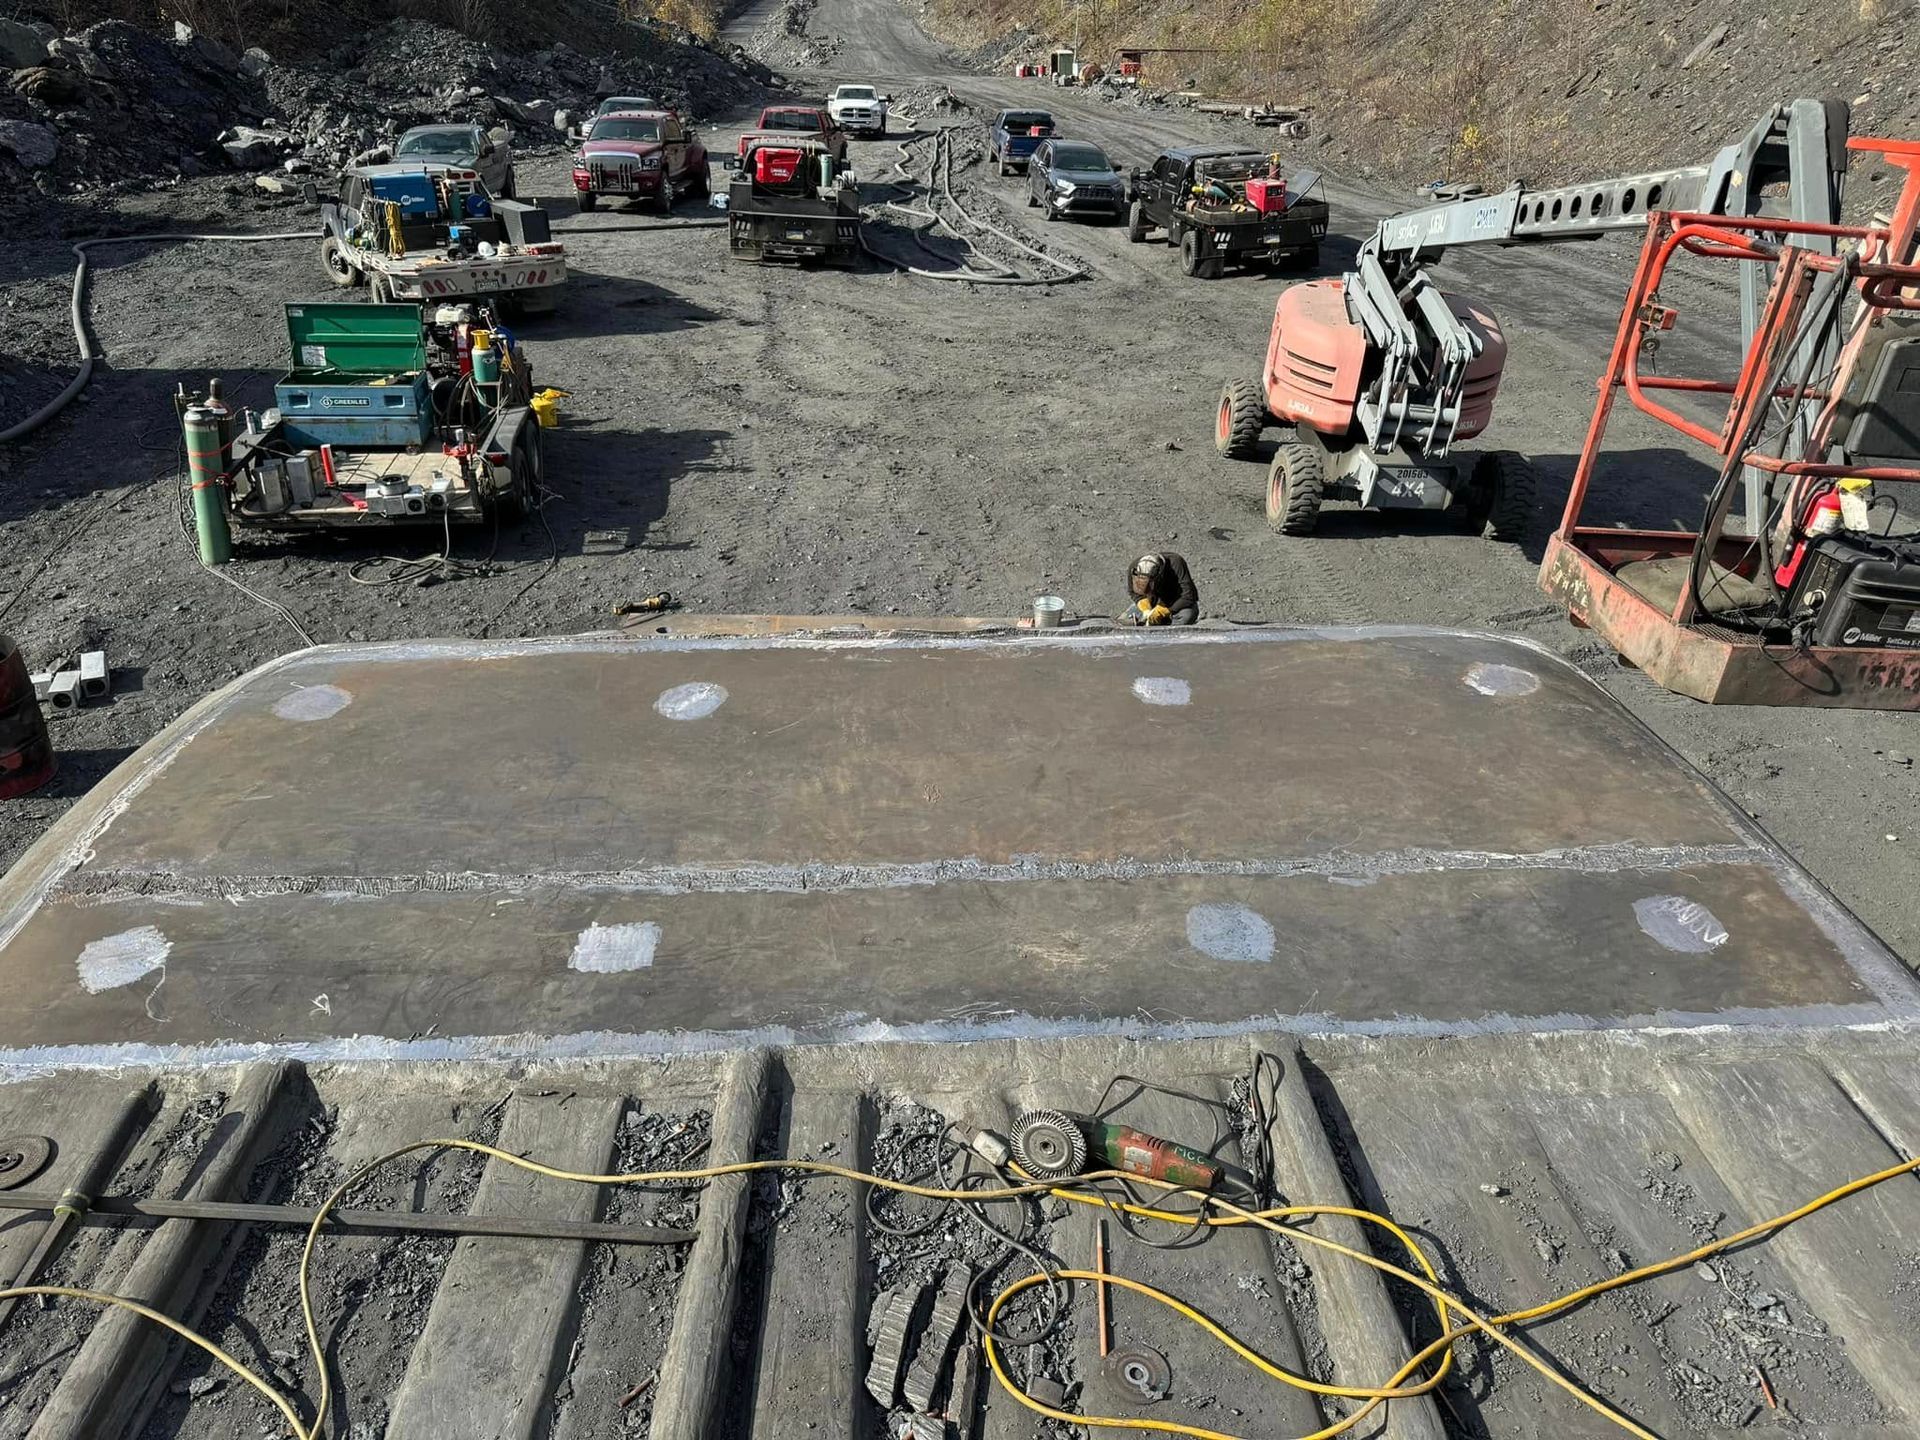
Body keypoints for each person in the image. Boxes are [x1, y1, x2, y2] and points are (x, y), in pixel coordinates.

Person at [1120, 552, 1199, 626]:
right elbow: (1133, 592)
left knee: (1187, 617)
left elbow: (1189, 595)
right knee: (1123, 621)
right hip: (1152, 601)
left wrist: (1164, 611)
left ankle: (1165, 630)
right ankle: (1146, 624)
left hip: (1175, 601)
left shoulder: (1176, 564)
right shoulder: (1133, 567)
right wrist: (1145, 607)